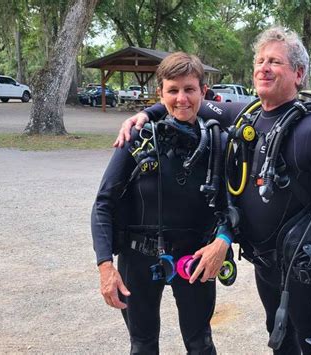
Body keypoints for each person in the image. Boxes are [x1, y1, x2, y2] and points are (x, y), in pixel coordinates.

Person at [114, 26, 311, 354]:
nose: (264, 67)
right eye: (260, 60)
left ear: (299, 73)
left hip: (303, 269)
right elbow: (189, 104)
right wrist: (143, 114)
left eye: (275, 62)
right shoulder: (248, 116)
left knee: (309, 342)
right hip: (267, 266)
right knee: (279, 338)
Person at [92, 52, 231, 355]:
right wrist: (105, 266)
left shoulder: (219, 143)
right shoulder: (138, 138)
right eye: (173, 90)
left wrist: (222, 240)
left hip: (195, 258)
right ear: (161, 93)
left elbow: (232, 204)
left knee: (201, 343)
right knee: (142, 345)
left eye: (190, 89)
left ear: (203, 92)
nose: (182, 98)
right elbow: (103, 203)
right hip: (139, 256)